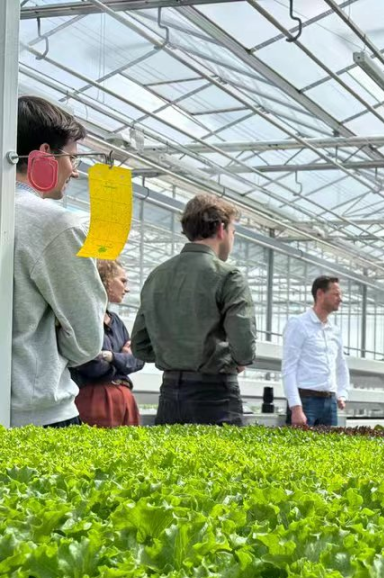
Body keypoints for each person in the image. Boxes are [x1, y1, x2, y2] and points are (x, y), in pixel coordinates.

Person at [11, 96, 107, 428]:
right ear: (45, 154)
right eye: (72, 158)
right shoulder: (55, 224)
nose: (75, 171)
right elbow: (86, 341)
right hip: (37, 414)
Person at [132, 194, 256, 426]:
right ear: (221, 229)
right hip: (215, 396)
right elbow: (244, 349)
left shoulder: (157, 275)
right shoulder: (228, 276)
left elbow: (140, 346)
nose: (233, 238)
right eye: (233, 231)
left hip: (170, 394)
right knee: (219, 451)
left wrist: (175, 355)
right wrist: (236, 359)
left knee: (171, 451)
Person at [72, 260, 144, 427]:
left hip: (125, 398)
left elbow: (139, 358)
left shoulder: (115, 320)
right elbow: (94, 366)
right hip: (96, 399)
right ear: (104, 281)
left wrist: (111, 357)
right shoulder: (86, 318)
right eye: (122, 281)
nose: (126, 288)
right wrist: (123, 359)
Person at [283, 276, 349, 428]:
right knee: (299, 444)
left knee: (330, 444)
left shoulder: (335, 330)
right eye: (336, 294)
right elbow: (288, 368)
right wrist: (296, 408)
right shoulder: (298, 324)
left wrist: (342, 393)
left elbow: (340, 364)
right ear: (320, 294)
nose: (340, 299)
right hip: (306, 401)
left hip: (330, 403)